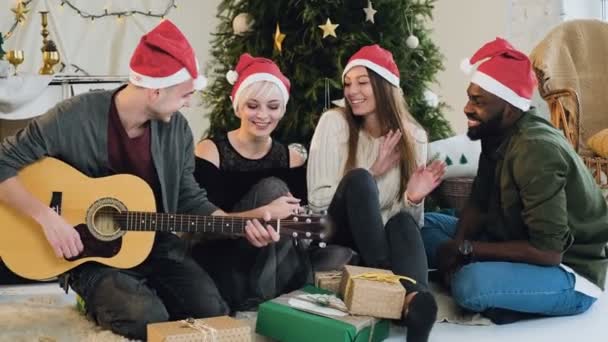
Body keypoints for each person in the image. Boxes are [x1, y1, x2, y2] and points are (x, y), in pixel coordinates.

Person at [0, 20, 280, 340]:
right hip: (91, 257)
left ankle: (133, 291)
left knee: (212, 312)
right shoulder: (73, 116)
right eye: (184, 94)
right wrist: (47, 217)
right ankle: (98, 295)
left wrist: (238, 222)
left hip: (157, 244)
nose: (189, 102)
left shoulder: (177, 131)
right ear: (156, 90)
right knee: (145, 319)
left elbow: (189, 197)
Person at [422, 37, 608, 324]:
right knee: (427, 225)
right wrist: (458, 246)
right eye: (470, 97)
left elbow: (549, 252)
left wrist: (467, 251)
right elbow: (478, 201)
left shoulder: (536, 150)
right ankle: (485, 279)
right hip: (509, 236)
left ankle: (492, 289)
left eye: (478, 101)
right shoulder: (494, 131)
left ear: (509, 108)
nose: (467, 108)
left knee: (471, 285)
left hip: (568, 270)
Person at [191, 53, 351, 311]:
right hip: (224, 257)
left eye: (273, 106)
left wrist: (298, 222)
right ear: (239, 106)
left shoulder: (293, 158)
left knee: (341, 256)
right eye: (253, 105)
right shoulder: (210, 151)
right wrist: (262, 214)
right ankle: (279, 300)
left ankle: (274, 297)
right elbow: (202, 228)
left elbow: (299, 228)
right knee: (273, 189)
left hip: (275, 254)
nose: (263, 115)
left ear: (283, 109)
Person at [307, 44, 445, 342]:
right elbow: (318, 203)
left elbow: (409, 223)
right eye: (347, 83)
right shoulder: (333, 123)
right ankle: (387, 283)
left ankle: (415, 301)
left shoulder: (415, 137)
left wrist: (413, 199)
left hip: (380, 241)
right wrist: (373, 170)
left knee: (404, 222)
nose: (352, 91)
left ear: (384, 87)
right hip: (336, 233)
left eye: (362, 82)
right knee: (359, 179)